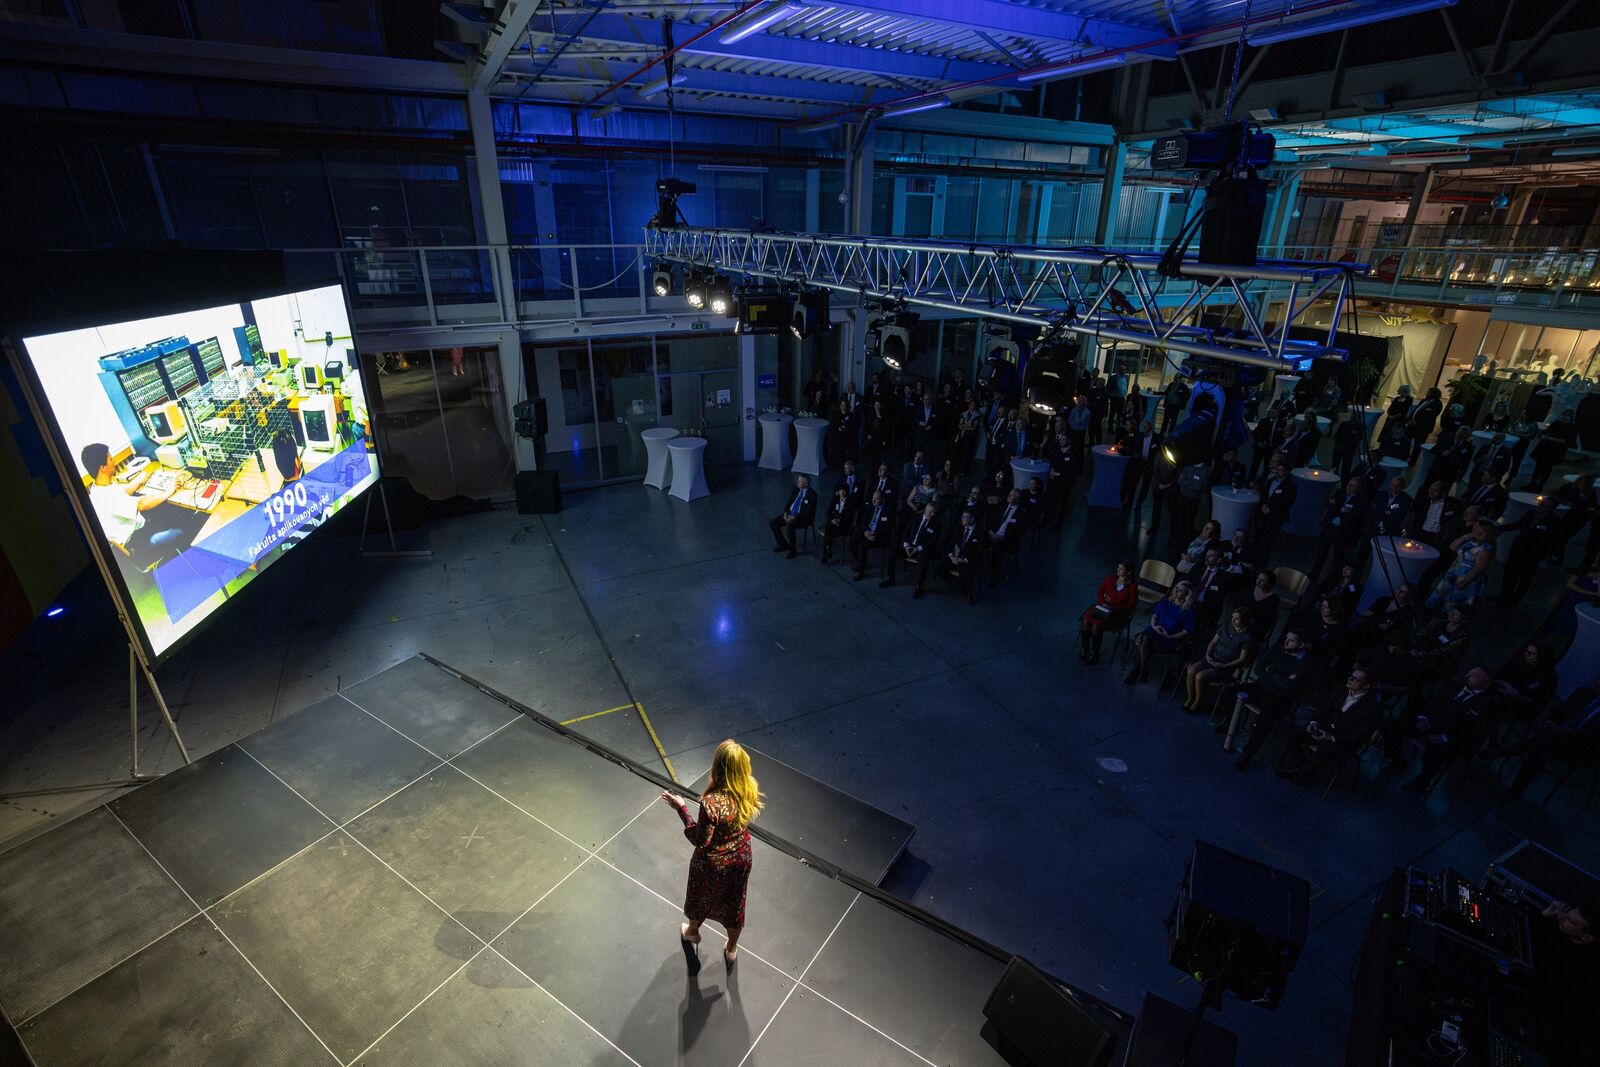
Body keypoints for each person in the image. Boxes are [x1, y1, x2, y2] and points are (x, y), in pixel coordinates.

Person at [661, 739, 762, 973]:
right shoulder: (750, 787)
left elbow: (701, 840)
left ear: (718, 767)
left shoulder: (711, 803)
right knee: (734, 904)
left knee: (699, 897)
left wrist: (681, 809)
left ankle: (692, 932)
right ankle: (731, 948)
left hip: (712, 864)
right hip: (741, 858)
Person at [1382, 666, 1497, 793]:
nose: (1468, 676)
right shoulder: (1451, 687)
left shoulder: (1486, 704)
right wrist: (1423, 718)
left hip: (1452, 738)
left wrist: (1444, 737)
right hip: (1429, 725)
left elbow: (1472, 733)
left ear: (1486, 684)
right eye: (1470, 672)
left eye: (1476, 676)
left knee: (1437, 751)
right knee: (1392, 726)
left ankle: (1423, 780)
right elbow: (1429, 703)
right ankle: (1397, 760)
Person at [1488, 673, 1600, 800]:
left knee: (1542, 744)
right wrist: (1549, 722)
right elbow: (1561, 710)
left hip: (1584, 747)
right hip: (1558, 735)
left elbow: (1592, 736)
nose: (1598, 681)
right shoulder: (1585, 694)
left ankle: (1509, 752)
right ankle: (1515, 786)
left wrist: (1561, 730)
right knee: (1542, 741)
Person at [79, 442, 182, 568]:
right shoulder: (106, 497)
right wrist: (168, 492)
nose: (113, 461)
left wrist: (141, 480)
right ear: (103, 467)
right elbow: (141, 504)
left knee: (168, 512)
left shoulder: (98, 489)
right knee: (181, 528)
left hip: (137, 533)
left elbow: (124, 492)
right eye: (110, 459)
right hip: (139, 544)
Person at [1224, 628, 1314, 767]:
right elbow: (1259, 668)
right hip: (1261, 688)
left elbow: (1288, 686)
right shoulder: (1277, 650)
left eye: (1291, 640)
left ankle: (1248, 752)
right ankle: (1230, 724)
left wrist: (1271, 671)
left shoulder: (1306, 663)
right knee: (1230, 691)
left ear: (1301, 645)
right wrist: (1281, 677)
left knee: (1266, 716)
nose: (1286, 642)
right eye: (1286, 638)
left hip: (1281, 698)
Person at [1275, 667, 1381, 784]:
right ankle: (1304, 765)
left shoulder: (1372, 708)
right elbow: (1324, 709)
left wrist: (1331, 737)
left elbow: (1359, 737)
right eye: (1351, 676)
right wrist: (1314, 722)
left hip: (1344, 740)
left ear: (1366, 686)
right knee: (1295, 735)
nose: (1350, 679)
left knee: (1327, 748)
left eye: (1355, 679)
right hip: (1325, 729)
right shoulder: (1341, 690)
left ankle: (1300, 774)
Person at [1183, 608, 1255, 713]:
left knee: (1199, 676)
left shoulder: (1247, 637)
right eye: (1232, 617)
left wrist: (1225, 666)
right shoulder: (1225, 627)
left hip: (1225, 665)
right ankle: (1190, 698)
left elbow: (1242, 658)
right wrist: (1208, 654)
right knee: (1191, 671)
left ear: (1244, 620)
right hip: (1212, 657)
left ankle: (1197, 702)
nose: (1233, 620)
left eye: (1237, 619)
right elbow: (1213, 643)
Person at [1124, 581, 1196, 685]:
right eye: (1176, 588)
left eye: (1180, 591)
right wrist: (1154, 626)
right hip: (1155, 631)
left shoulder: (1190, 611)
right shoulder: (1166, 601)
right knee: (1146, 637)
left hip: (1169, 638)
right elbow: (1154, 616)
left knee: (1143, 644)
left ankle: (1136, 671)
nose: (1176, 591)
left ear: (1187, 595)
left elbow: (1185, 632)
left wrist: (1170, 636)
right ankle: (1143, 670)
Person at [1495, 497, 1562, 603]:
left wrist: (1547, 554)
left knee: (1524, 578)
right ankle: (1504, 595)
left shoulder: (1555, 522)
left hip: (1533, 554)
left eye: (1545, 505)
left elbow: (1553, 540)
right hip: (1518, 548)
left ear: (1552, 508)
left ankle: (1514, 601)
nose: (1541, 506)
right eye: (1541, 503)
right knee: (1510, 573)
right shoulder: (1531, 513)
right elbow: (1519, 524)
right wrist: (1500, 528)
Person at [1427, 519, 1495, 610]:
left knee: (1455, 603)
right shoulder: (1470, 540)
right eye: (1475, 527)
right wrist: (1465, 536)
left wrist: (1464, 582)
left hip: (1467, 576)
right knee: (1441, 597)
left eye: (1479, 529)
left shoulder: (1485, 549)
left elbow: (1478, 569)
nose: (1475, 530)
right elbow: (1452, 547)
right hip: (1454, 572)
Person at [1079, 562, 1138, 665]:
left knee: (1096, 626)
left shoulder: (1132, 587)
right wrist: (1103, 603)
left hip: (1117, 613)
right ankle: (1084, 648)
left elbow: (1130, 605)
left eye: (1121, 569)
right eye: (1118, 568)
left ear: (1128, 572)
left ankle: (1095, 653)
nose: (1117, 570)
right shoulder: (1110, 579)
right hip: (1103, 607)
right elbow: (1100, 593)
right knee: (1086, 620)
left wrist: (1116, 607)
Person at [1310, 475, 1367, 580]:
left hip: (1342, 532)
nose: (1349, 487)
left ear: (1359, 488)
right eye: (1349, 484)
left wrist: (1336, 508)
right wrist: (1341, 510)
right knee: (1321, 553)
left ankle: (1333, 577)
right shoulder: (1340, 493)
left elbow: (1353, 516)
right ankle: (1314, 573)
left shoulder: (1360, 501)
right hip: (1329, 527)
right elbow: (1328, 505)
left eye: (1353, 486)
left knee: (1338, 556)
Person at [884, 502, 940, 591]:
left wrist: (917, 549)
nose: (932, 514)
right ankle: (891, 579)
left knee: (924, 560)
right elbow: (905, 532)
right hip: (909, 546)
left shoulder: (936, 523)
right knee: (892, 553)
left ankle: (919, 586)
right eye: (931, 512)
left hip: (921, 549)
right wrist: (906, 546)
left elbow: (933, 541)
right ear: (925, 510)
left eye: (934, 512)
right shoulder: (915, 518)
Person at [935, 509, 983, 602]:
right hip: (956, 558)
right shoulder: (959, 529)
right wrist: (951, 556)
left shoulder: (980, 532)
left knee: (963, 575)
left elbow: (979, 551)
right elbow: (950, 544)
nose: (962, 519)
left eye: (965, 517)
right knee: (939, 567)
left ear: (972, 519)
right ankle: (952, 580)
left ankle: (966, 593)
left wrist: (964, 560)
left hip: (968, 560)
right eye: (962, 517)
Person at [1255, 457, 1297, 562]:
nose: (1277, 472)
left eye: (1280, 470)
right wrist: (1263, 505)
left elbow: (1287, 502)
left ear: (1287, 472)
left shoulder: (1290, 486)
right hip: (1263, 512)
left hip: (1276, 516)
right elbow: (1264, 494)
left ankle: (1262, 561)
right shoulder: (1271, 481)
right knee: (1258, 534)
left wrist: (1271, 509)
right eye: (1277, 469)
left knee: (1267, 538)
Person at [1525, 410, 1578, 491]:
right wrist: (1543, 436)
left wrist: (1551, 438)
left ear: (1571, 418)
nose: (1564, 417)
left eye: (1567, 416)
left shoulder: (1572, 428)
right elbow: (1545, 432)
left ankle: (1539, 486)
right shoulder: (1556, 423)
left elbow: (1569, 442)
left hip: (1556, 451)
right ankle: (1532, 484)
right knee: (1538, 467)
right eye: (1563, 415)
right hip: (1545, 448)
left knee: (1546, 469)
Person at [985, 488, 1027, 586]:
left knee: (996, 550)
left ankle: (994, 578)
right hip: (993, 535)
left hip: (1007, 540)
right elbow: (992, 523)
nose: (1009, 496)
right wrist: (992, 534)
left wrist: (999, 537)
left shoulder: (1021, 513)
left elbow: (1018, 533)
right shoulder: (1002, 508)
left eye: (1012, 495)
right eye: (1009, 494)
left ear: (1018, 499)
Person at [769, 475, 818, 558]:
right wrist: (785, 513)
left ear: (806, 483)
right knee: (773, 523)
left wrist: (795, 517)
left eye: (800, 481)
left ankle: (793, 551)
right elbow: (789, 503)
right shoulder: (796, 489)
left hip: (803, 518)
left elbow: (808, 512)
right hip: (790, 514)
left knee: (790, 527)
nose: (797, 482)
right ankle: (783, 545)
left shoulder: (812, 494)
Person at [849, 490, 894, 580]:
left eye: (877, 499)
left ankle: (860, 570)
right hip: (867, 532)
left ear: (882, 499)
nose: (874, 501)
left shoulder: (888, 510)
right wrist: (866, 532)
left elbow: (888, 528)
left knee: (863, 546)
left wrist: (875, 533)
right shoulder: (870, 506)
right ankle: (862, 562)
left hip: (878, 536)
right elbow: (863, 522)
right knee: (851, 544)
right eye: (873, 499)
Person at [1408, 480, 1463, 550]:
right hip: (1422, 532)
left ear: (1442, 493)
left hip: (1437, 536)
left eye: (1435, 491)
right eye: (1430, 489)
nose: (1431, 492)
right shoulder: (1424, 501)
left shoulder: (1452, 504)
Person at [818, 485, 857, 564]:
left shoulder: (850, 501)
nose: (842, 493)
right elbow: (829, 511)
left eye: (844, 491)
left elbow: (849, 518)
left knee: (828, 531)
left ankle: (826, 553)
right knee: (829, 529)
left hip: (843, 526)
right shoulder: (835, 499)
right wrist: (832, 520)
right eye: (841, 491)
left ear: (847, 492)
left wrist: (839, 522)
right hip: (833, 523)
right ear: (838, 491)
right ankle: (827, 552)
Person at [1406, 387, 1443, 463]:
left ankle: (1412, 461)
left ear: (1433, 394)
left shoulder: (1437, 403)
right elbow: (1416, 410)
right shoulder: (1424, 400)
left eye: (1429, 392)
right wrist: (1409, 419)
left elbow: (1430, 416)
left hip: (1423, 428)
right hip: (1413, 425)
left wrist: (1417, 422)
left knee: (1418, 445)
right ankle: (1404, 455)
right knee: (1407, 440)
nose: (1427, 393)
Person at [1330, 412, 1364, 479]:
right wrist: (1339, 445)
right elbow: (1337, 435)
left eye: (1355, 416)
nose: (1353, 417)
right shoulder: (1344, 424)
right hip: (1339, 447)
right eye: (1353, 415)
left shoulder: (1360, 427)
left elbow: (1358, 439)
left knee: (1346, 465)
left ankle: (1344, 479)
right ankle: (1331, 475)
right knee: (1335, 464)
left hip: (1349, 450)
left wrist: (1346, 446)